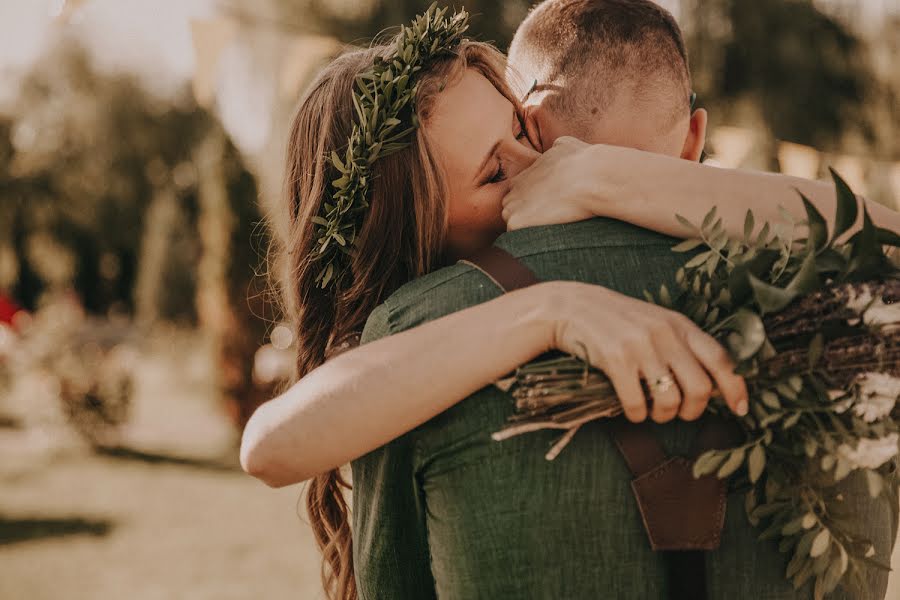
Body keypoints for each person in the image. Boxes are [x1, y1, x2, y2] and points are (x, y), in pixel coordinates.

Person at [239, 3, 900, 599]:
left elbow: (884, 239)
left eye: (525, 135)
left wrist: (607, 174)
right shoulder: (410, 340)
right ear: (410, 231)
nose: (544, 165)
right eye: (494, 172)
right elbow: (271, 447)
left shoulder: (594, 185)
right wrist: (548, 311)